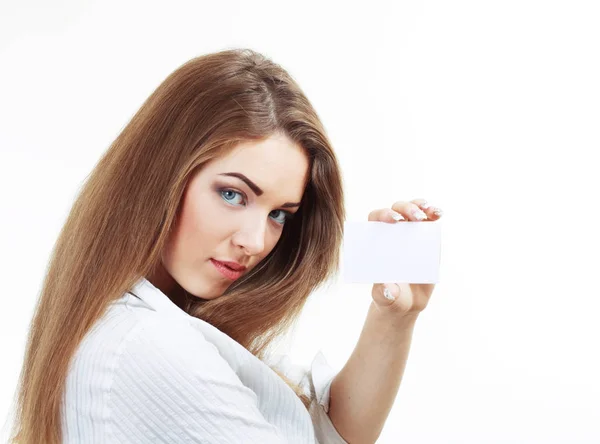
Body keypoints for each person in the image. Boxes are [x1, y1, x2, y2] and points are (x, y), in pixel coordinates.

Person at [8, 48, 443, 444]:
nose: (255, 242)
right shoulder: (147, 345)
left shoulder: (168, 320)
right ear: (162, 175)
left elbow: (329, 434)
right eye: (233, 194)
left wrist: (395, 317)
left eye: (280, 214)